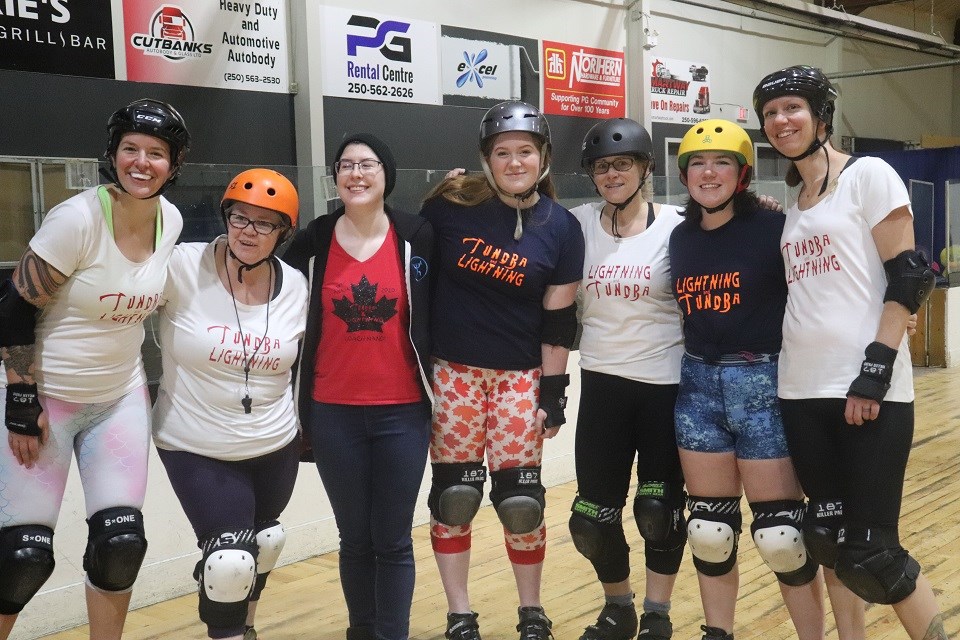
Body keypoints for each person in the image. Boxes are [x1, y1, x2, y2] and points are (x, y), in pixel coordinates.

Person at [754, 65, 947, 640]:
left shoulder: (869, 175)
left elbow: (909, 276)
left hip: (866, 389)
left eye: (791, 108)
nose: (781, 121)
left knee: (874, 553)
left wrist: (876, 370)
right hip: (800, 389)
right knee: (828, 541)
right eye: (770, 114)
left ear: (820, 115)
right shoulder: (795, 202)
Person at [0, 98, 190, 640]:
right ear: (112, 154)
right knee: (22, 558)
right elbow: (12, 309)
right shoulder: (77, 219)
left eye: (156, 153)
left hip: (117, 398)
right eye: (130, 149)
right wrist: (20, 395)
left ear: (173, 166)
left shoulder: (170, 221)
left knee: (120, 545)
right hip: (46, 401)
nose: (141, 162)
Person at [420, 100, 584, 640]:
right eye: (502, 153)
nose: (515, 162)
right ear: (486, 159)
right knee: (454, 497)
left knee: (521, 502)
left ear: (543, 158)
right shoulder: (449, 206)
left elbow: (558, 323)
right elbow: (403, 258)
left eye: (525, 152)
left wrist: (553, 395)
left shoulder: (561, 227)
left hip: (520, 379)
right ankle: (459, 612)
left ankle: (531, 610)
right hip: (454, 375)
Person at [668, 118, 833, 640]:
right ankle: (718, 633)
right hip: (698, 387)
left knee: (782, 537)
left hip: (762, 383)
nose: (708, 172)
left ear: (742, 174)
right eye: (697, 162)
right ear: (684, 173)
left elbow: (820, 283)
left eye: (721, 162)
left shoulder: (773, 227)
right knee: (709, 532)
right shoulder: (679, 236)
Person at [283, 133, 434, 640]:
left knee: (392, 540)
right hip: (333, 413)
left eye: (367, 164)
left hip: (404, 413)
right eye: (345, 165)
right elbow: (262, 273)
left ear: (385, 175)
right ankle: (360, 631)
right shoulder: (316, 238)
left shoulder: (416, 235)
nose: (356, 173)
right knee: (354, 539)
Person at [152, 169, 307, 640]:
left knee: (265, 541)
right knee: (229, 562)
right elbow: (112, 307)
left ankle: (247, 628)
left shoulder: (297, 285)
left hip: (276, 444)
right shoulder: (181, 265)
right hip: (196, 445)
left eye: (265, 223)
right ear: (225, 216)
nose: (248, 231)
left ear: (283, 233)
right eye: (240, 218)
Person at [566, 118, 687, 640]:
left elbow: (738, 240)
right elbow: (516, 217)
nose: (611, 174)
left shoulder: (679, 225)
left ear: (645, 168)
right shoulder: (577, 224)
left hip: (664, 388)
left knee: (658, 510)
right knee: (591, 519)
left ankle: (658, 613)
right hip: (601, 388)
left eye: (622, 163)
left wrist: (763, 207)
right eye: (601, 166)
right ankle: (619, 607)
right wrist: (467, 194)